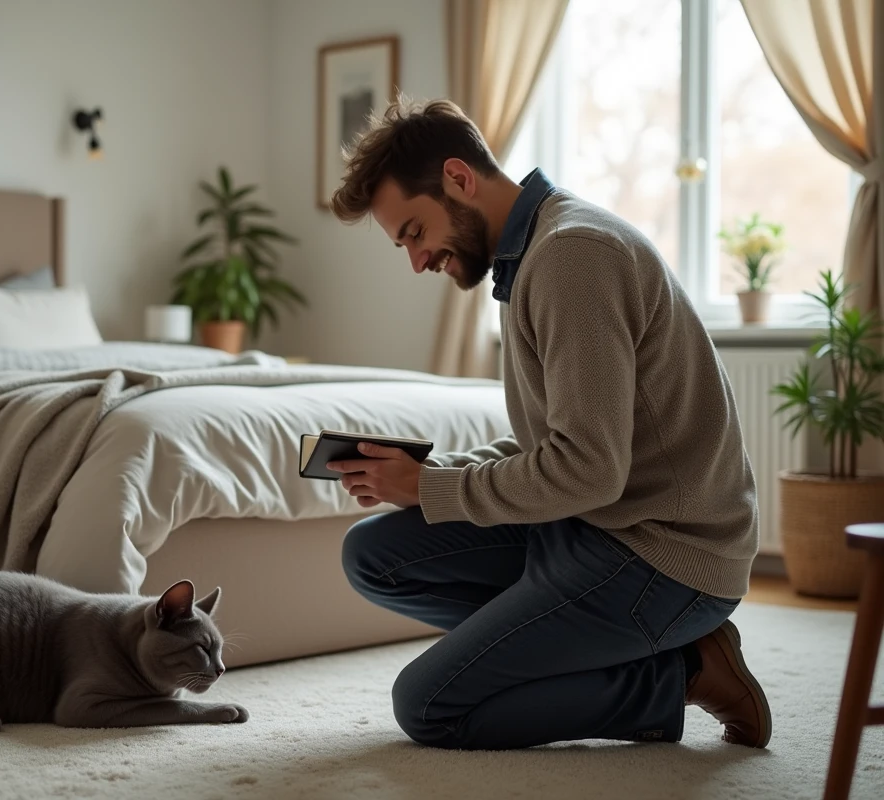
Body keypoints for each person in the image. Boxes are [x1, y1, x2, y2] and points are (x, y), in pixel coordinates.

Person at [325, 96, 772, 751]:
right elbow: (552, 444)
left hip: (664, 557)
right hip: (597, 525)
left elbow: (587, 468)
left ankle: (681, 673)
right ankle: (577, 646)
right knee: (372, 556)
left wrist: (430, 489)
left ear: (457, 178)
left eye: (415, 233)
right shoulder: (529, 255)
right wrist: (430, 474)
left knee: (429, 706)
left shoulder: (571, 256)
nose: (417, 261)